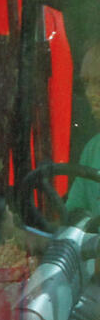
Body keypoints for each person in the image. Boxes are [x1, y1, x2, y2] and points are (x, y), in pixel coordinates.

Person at [65, 41, 100, 219]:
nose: (90, 93)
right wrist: (14, 232)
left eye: (99, 82)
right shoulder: (93, 149)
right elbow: (70, 225)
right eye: (86, 83)